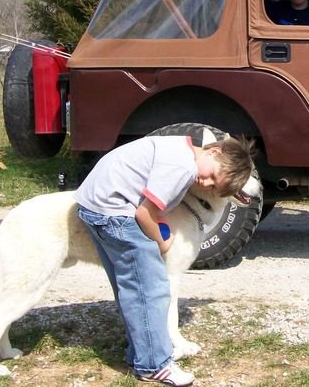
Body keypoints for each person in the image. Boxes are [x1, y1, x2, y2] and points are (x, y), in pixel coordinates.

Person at [74, 134, 254, 385]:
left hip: (93, 204)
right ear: (214, 152)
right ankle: (153, 365)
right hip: (114, 211)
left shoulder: (179, 147)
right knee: (151, 288)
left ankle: (139, 353)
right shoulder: (182, 167)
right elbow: (145, 212)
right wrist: (162, 240)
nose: (206, 183)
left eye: (213, 187)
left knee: (131, 286)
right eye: (212, 176)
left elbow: (154, 207)